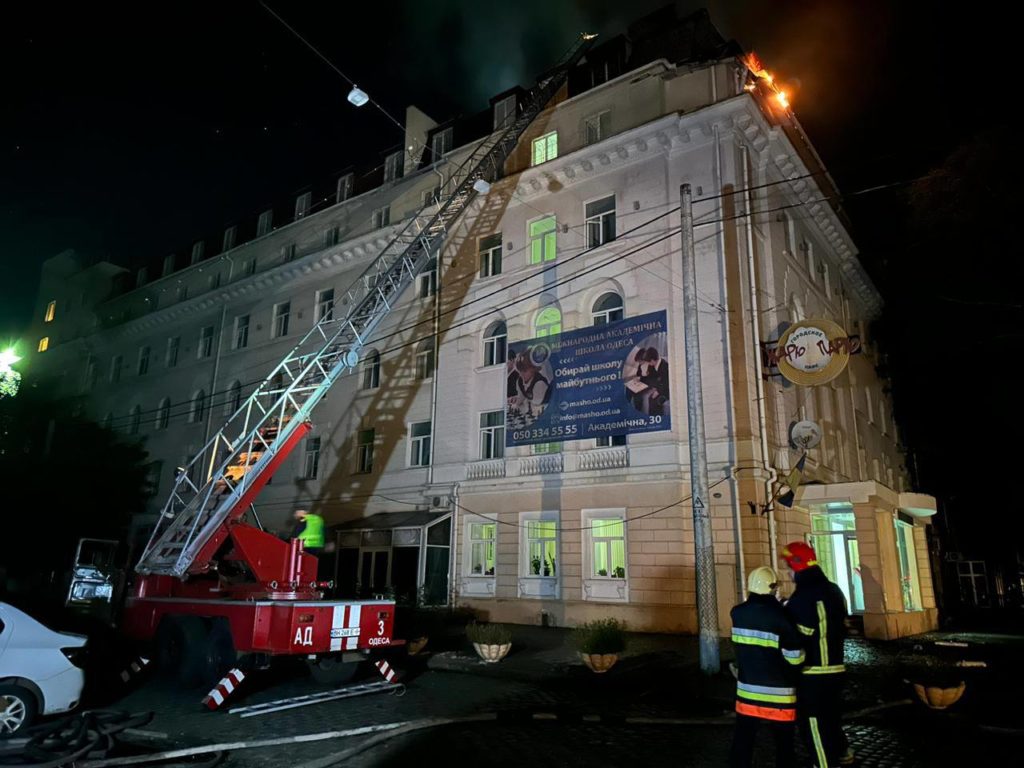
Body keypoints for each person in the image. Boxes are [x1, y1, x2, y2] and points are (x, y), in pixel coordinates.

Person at [781, 541, 854, 767]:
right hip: (836, 669)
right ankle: (843, 751)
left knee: (813, 725)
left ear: (797, 565)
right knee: (831, 718)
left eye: (788, 566)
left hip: (813, 672)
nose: (788, 572)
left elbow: (797, 637)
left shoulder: (802, 597)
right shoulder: (833, 590)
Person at [730, 565, 805, 768]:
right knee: (784, 746)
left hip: (748, 692)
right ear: (772, 589)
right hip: (780, 694)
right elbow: (795, 656)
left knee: (743, 742)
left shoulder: (737, 613)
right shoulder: (781, 617)